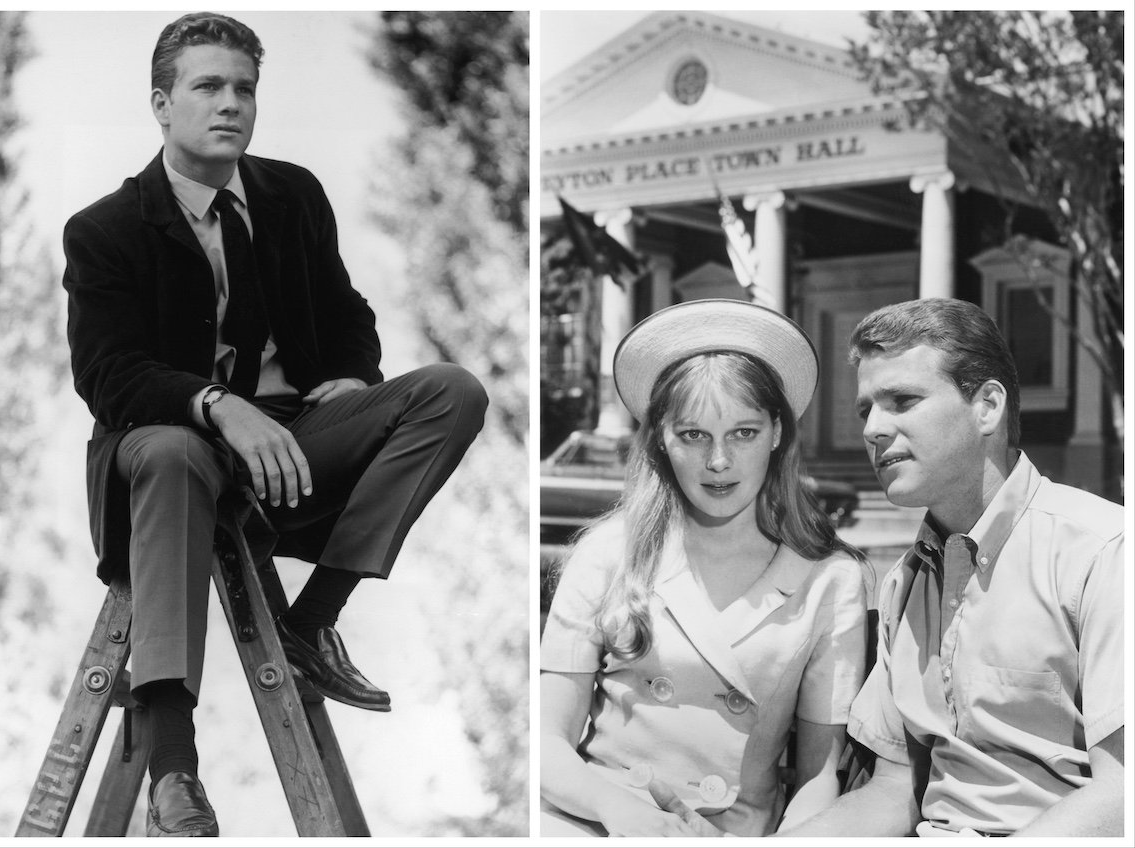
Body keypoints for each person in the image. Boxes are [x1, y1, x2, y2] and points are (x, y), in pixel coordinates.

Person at [62, 13, 487, 837]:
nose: (231, 104)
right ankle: (176, 772)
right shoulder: (105, 230)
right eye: (208, 87)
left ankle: (311, 621)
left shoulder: (292, 195)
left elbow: (346, 310)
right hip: (165, 447)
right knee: (178, 451)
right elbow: (108, 377)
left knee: (452, 390)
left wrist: (351, 377)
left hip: (291, 448)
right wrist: (221, 406)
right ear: (161, 103)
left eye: (244, 89)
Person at [655, 297, 1125, 837]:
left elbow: (1123, 792)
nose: (873, 429)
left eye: (902, 400)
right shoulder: (907, 580)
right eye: (866, 410)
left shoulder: (1102, 552)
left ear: (987, 407)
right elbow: (894, 788)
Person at [540, 299, 870, 837]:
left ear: (778, 433)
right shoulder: (607, 554)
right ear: (660, 440)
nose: (719, 462)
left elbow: (816, 777)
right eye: (694, 435)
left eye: (744, 433)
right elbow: (547, 743)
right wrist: (614, 808)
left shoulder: (831, 579)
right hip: (594, 821)